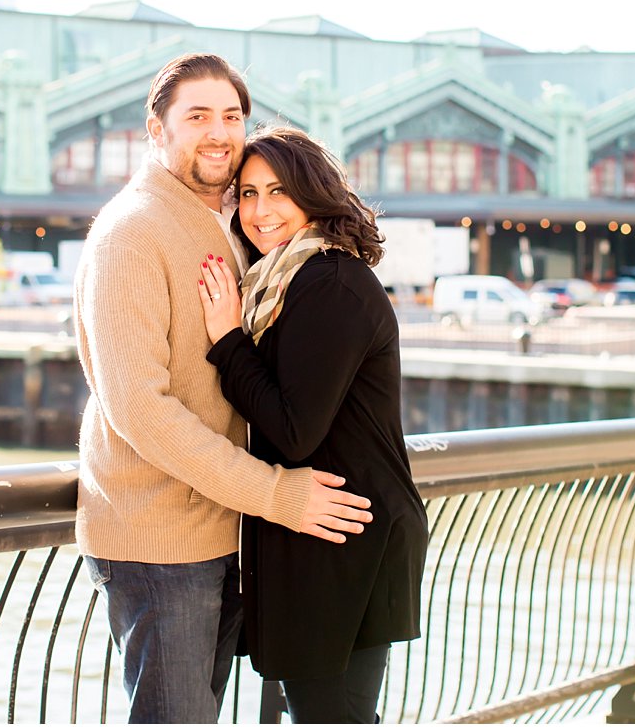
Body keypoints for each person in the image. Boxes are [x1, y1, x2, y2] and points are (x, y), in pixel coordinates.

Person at [73, 53, 375, 725]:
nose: (219, 132)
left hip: (223, 530)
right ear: (157, 130)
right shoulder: (132, 233)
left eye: (232, 115)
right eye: (197, 116)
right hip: (158, 541)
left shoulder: (230, 226)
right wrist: (273, 494)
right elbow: (139, 410)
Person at [198, 126, 427, 724]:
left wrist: (226, 341)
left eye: (278, 191)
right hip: (322, 525)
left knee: (331, 714)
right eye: (246, 194)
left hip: (343, 535)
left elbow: (295, 427)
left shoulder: (327, 281)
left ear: (315, 194)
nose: (260, 210)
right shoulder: (283, 281)